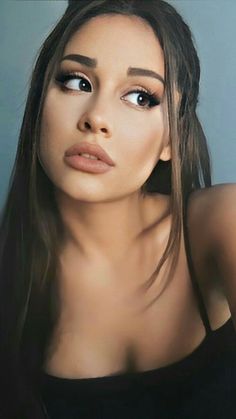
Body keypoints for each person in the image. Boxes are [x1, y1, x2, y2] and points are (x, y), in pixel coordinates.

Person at [0, 0, 236, 418]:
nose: (97, 118)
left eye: (141, 97)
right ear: (39, 106)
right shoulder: (11, 276)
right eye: (76, 82)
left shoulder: (222, 223)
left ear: (172, 140)